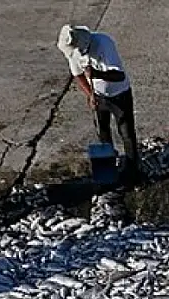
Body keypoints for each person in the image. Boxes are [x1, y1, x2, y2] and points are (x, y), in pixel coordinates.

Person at [57, 24, 141, 185]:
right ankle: (108, 168)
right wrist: (90, 95)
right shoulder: (73, 52)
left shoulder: (104, 43)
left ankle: (132, 170)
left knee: (126, 133)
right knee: (103, 132)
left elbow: (119, 76)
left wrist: (96, 74)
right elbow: (78, 75)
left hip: (119, 95)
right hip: (99, 97)